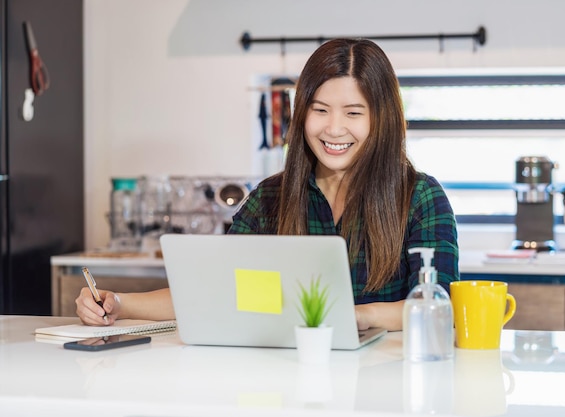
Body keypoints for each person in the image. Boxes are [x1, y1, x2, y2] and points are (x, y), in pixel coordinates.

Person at [76, 38, 459, 331]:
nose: (334, 128)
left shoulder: (421, 197)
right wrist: (120, 303)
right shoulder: (270, 198)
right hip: (288, 379)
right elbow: (213, 290)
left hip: (386, 387)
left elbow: (441, 308)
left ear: (382, 118)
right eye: (320, 110)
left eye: (353, 113)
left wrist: (352, 316)